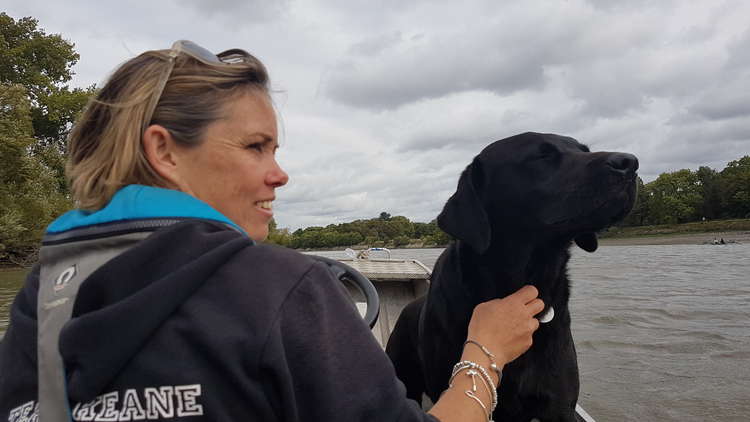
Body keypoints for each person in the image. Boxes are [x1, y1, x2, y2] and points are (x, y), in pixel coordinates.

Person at [0, 40, 543, 422]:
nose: (279, 174)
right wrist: (485, 351)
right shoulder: (281, 285)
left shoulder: (44, 289)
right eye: (256, 147)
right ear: (164, 151)